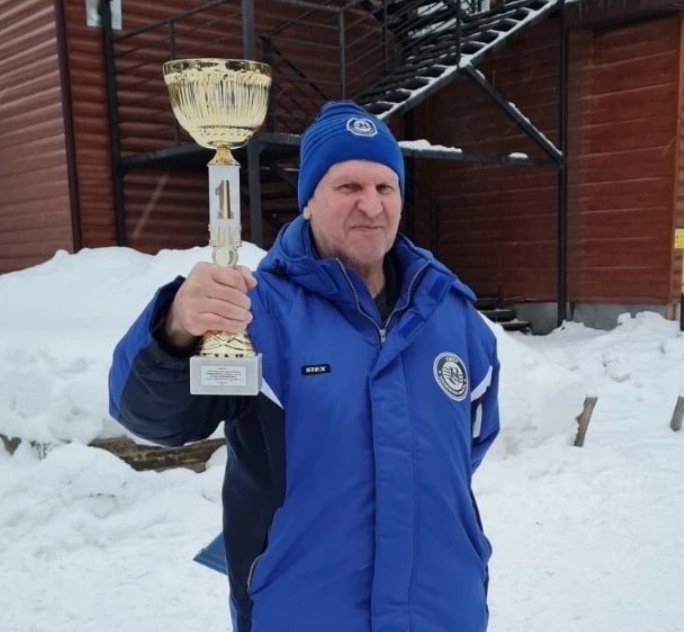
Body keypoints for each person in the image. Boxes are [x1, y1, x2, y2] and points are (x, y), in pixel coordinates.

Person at [109, 100, 500, 632]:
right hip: (300, 612)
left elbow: (466, 449)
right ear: (308, 202)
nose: (371, 205)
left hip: (443, 611)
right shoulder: (252, 314)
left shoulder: (455, 319)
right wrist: (174, 328)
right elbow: (153, 417)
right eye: (348, 186)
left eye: (385, 187)